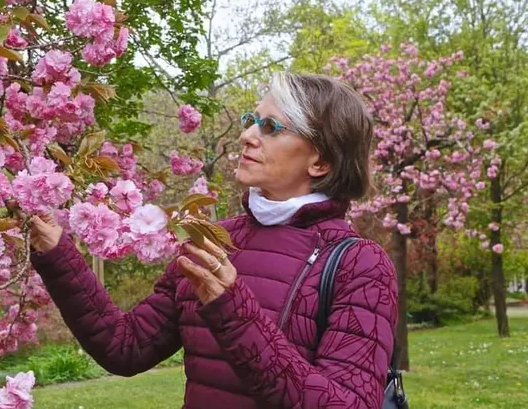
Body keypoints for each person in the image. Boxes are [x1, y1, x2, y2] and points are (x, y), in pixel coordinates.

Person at [28, 72, 398, 408]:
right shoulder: (216, 242)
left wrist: (234, 312)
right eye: (250, 121)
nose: (247, 135)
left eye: (270, 127)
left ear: (320, 162)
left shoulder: (360, 265)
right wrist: (59, 256)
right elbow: (125, 347)